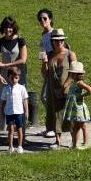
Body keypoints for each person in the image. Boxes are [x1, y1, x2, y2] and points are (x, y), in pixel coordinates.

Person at [0, 16, 29, 134]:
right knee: (5, 102)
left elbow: (23, 60)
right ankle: (8, 132)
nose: (8, 29)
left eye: (11, 27)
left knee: (20, 101)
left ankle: (22, 131)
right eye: (6, 27)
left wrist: (5, 65)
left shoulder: (20, 40)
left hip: (19, 76)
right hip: (4, 77)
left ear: (14, 28)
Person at [45, 29, 76, 148]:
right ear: (52, 41)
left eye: (61, 40)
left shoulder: (70, 54)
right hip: (52, 89)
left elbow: (74, 73)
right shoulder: (50, 55)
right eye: (56, 40)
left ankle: (74, 140)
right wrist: (44, 63)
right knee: (55, 113)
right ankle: (57, 141)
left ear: (64, 41)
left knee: (69, 115)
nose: (59, 43)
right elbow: (45, 74)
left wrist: (63, 87)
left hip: (66, 89)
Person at [62, 61, 91, 149]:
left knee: (81, 126)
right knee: (78, 126)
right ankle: (76, 145)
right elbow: (64, 86)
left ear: (75, 74)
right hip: (75, 107)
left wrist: (82, 95)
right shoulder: (74, 82)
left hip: (79, 107)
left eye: (71, 73)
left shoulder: (79, 83)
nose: (70, 74)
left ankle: (84, 144)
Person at [0, 66, 29, 154]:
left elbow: (25, 100)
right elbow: (3, 101)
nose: (14, 80)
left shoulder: (21, 88)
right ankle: (10, 147)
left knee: (19, 129)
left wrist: (26, 111)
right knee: (10, 129)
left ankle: (20, 146)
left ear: (19, 78)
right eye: (12, 78)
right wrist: (2, 111)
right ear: (8, 77)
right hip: (9, 112)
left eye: (16, 78)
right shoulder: (6, 89)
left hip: (19, 112)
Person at [36, 9, 55, 137]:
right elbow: (43, 54)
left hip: (55, 70)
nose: (42, 21)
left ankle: (53, 127)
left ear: (50, 19)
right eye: (40, 19)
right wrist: (44, 66)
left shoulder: (55, 34)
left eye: (45, 18)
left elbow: (64, 50)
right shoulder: (44, 35)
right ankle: (51, 126)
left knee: (47, 98)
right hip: (47, 69)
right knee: (45, 97)